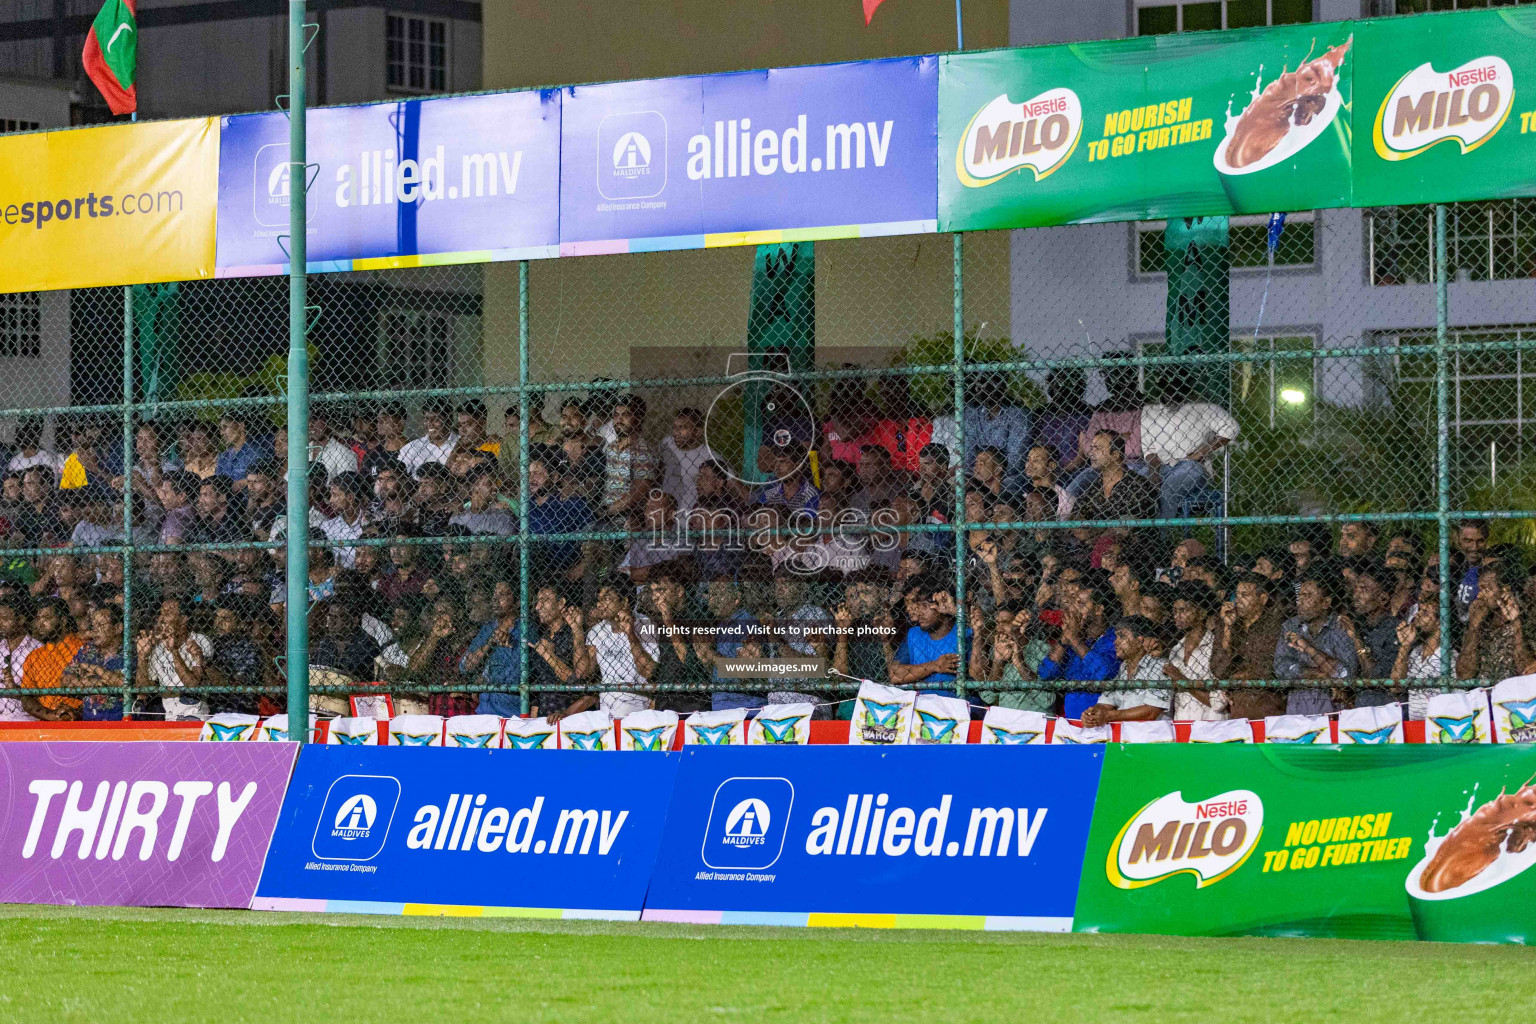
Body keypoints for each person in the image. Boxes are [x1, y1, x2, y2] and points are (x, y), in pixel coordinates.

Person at [1275, 574, 1358, 716]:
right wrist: (1320, 675)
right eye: (1299, 596)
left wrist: (1308, 648)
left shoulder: (1339, 627)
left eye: (1307, 596)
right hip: (1298, 708)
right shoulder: (1291, 626)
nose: (1299, 602)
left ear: (1325, 602)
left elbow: (1345, 674)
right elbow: (1280, 668)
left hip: (1332, 709)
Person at [1038, 577, 1120, 719]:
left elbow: (1104, 674)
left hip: (1099, 721)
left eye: (1081, 604)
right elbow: (1046, 673)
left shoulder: (1115, 639)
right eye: (1073, 603)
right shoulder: (1076, 639)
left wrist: (1074, 639)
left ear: (1099, 609)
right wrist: (1066, 637)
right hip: (1071, 724)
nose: (1074, 609)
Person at [573, 583, 659, 718]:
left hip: (638, 709)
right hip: (606, 711)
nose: (599, 605)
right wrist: (577, 629)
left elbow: (648, 671)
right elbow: (582, 672)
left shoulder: (645, 625)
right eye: (599, 599)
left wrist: (630, 633)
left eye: (606, 599)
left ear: (624, 602)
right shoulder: (597, 631)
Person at [889, 576, 984, 696]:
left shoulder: (966, 631)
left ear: (941, 605)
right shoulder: (914, 634)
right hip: (925, 709)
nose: (918, 612)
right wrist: (934, 666)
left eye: (924, 606)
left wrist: (956, 612)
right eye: (916, 606)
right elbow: (895, 674)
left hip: (956, 708)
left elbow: (979, 678)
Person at [1209, 573, 1287, 720]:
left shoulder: (1275, 626)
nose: (1238, 601)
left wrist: (1235, 678)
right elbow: (1218, 668)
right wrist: (1228, 629)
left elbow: (1270, 668)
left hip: (1270, 708)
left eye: (1245, 595)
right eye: (1237, 595)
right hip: (1238, 709)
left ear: (1262, 599)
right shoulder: (1228, 623)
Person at [1081, 616, 1171, 726]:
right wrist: (1092, 713)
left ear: (1139, 641)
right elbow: (1106, 702)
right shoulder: (1123, 668)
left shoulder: (1159, 665)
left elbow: (1151, 712)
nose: (1115, 642)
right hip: (1126, 736)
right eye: (1116, 636)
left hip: (1151, 737)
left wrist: (1108, 715)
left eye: (1122, 636)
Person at [136, 597, 212, 721]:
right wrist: (142, 657)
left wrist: (174, 651)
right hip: (168, 715)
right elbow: (142, 693)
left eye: (169, 612)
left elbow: (192, 684)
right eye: (161, 613)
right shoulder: (157, 647)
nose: (162, 618)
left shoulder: (200, 641)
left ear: (183, 619)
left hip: (194, 714)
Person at [1456, 562, 1528, 681]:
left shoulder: (1525, 615)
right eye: (1480, 589)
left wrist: (1516, 622)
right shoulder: (1480, 619)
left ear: (1505, 588)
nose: (1480, 595)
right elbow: (1464, 674)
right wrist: (1474, 627)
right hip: (1482, 693)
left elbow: (1525, 669)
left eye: (1487, 589)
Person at [460, 579, 521, 717]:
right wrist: (490, 643)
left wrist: (484, 679)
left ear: (516, 600)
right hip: (485, 709)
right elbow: (465, 665)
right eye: (494, 595)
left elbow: (516, 676)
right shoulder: (488, 628)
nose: (495, 600)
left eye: (502, 595)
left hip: (510, 711)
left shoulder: (524, 629)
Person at [1165, 581, 1225, 721]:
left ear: (1202, 613)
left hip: (1212, 726)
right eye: (1174, 611)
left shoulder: (1215, 647)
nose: (1176, 616)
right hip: (1182, 724)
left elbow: (1218, 703)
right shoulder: (1176, 650)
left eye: (1183, 610)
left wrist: (1182, 680)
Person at [1341, 563, 1400, 706]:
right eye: (1356, 589)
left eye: (1364, 590)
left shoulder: (1395, 629)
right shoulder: (1359, 625)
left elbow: (1375, 677)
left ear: (1383, 598)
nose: (1356, 596)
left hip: (1384, 708)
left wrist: (1356, 639)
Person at [18, 598, 85, 722]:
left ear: (63, 620)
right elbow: (27, 698)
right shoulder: (34, 656)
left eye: (47, 618)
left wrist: (75, 712)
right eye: (38, 618)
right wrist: (51, 715)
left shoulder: (83, 648)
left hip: (80, 721)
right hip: (47, 722)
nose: (40, 624)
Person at [525, 584, 585, 722]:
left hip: (569, 719)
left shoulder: (575, 635)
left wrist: (548, 655)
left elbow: (578, 683)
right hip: (543, 718)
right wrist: (534, 721)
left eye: (545, 600)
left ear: (561, 603)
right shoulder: (542, 637)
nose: (538, 607)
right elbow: (538, 684)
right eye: (538, 601)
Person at [1391, 599, 1453, 721]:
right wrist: (1405, 646)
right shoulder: (1415, 653)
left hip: (1441, 725)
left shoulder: (1448, 656)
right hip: (1416, 725)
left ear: (1440, 623)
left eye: (1424, 613)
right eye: (1419, 611)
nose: (1416, 615)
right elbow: (1395, 687)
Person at [601, 394, 655, 529]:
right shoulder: (611, 447)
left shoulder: (643, 450)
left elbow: (640, 489)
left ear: (638, 418)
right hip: (605, 514)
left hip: (628, 517)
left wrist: (610, 510)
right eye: (616, 415)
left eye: (625, 415)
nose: (619, 420)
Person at [63, 604, 125, 721]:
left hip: (121, 722)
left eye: (101, 625)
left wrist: (92, 668)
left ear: (117, 628)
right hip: (90, 722)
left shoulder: (131, 650)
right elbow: (65, 680)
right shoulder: (87, 649)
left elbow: (124, 683)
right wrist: (94, 682)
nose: (95, 630)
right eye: (94, 625)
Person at [660, 407, 717, 514]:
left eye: (682, 428)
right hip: (665, 518)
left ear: (697, 431)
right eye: (675, 427)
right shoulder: (667, 444)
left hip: (688, 518)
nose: (676, 433)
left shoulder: (708, 457)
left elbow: (731, 484)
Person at [1034, 367, 1092, 469]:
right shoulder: (1042, 413)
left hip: (1076, 469)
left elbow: (1082, 454)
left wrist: (1066, 469)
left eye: (1066, 384)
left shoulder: (1085, 413)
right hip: (1044, 469)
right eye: (1055, 383)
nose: (1060, 388)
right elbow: (1036, 445)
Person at [0, 594, 41, 721]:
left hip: (23, 717)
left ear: (21, 619)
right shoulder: (0, 647)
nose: (0, 623)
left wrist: (16, 689)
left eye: (5, 619)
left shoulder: (37, 649)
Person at [321, 471, 371, 568]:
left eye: (335, 495)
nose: (330, 500)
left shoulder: (370, 522)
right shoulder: (327, 527)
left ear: (350, 497)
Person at [398, 400, 459, 479]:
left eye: (436, 419)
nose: (430, 423)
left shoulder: (461, 442)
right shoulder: (413, 446)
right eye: (427, 419)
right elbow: (398, 471)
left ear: (449, 420)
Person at [215, 412, 269, 490]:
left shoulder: (255, 453)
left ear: (241, 425)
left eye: (225, 427)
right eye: (220, 428)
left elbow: (261, 481)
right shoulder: (223, 456)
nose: (221, 433)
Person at [1454, 519, 1490, 623]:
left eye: (1480, 541)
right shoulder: (1452, 566)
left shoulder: (1493, 569)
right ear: (1458, 540)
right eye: (1468, 541)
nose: (1474, 547)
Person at [156, 471, 199, 546]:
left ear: (182, 496)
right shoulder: (195, 511)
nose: (161, 497)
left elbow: (169, 553)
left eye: (166, 492)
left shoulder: (175, 517)